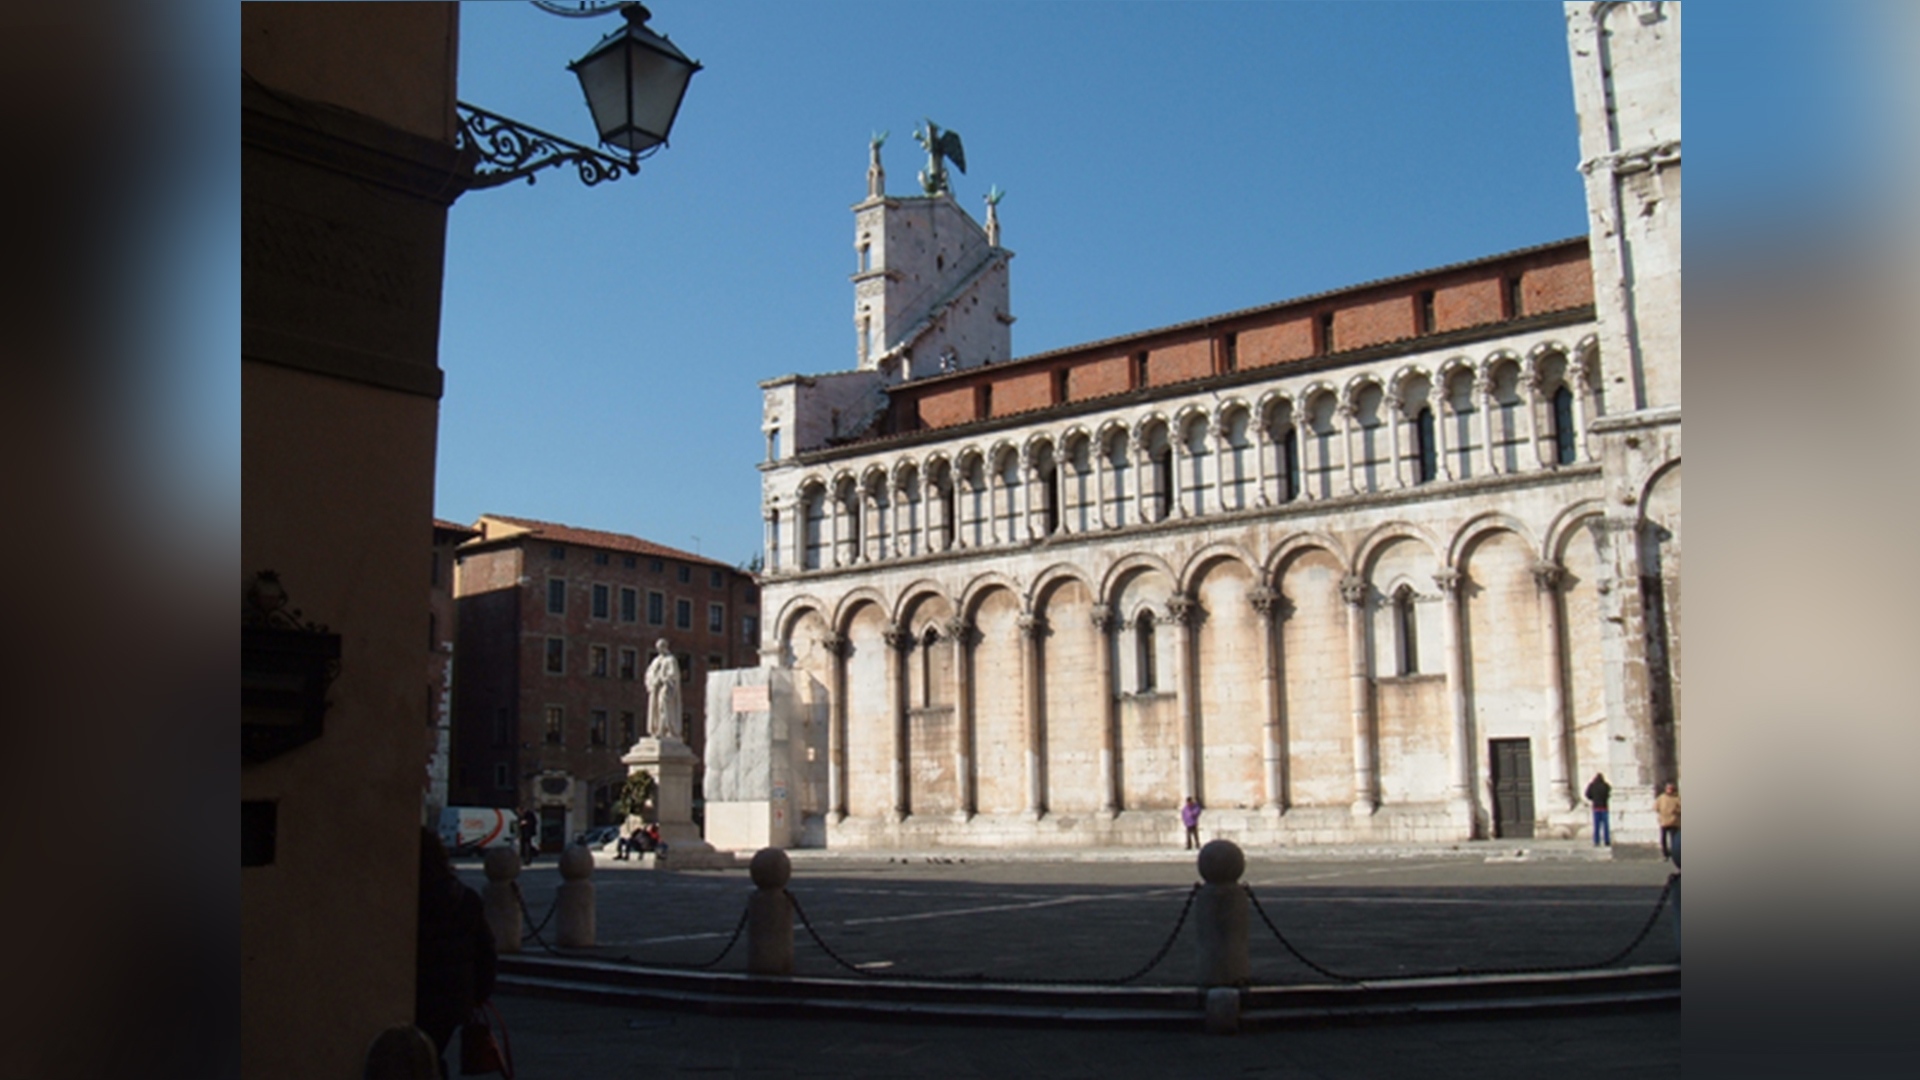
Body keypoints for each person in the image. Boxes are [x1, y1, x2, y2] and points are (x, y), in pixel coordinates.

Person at [414, 827, 497, 1077]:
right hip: (452, 1000)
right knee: (432, 1054)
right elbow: (486, 951)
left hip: (415, 994)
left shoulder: (405, 897)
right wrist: (477, 995)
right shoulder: (464, 898)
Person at [644, 639, 684, 740]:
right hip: (655, 689)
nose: (659, 649)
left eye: (661, 647)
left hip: (666, 689)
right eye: (658, 647)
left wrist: (663, 679)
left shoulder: (671, 660)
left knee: (664, 707)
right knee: (656, 709)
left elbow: (673, 675)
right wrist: (652, 681)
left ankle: (664, 729)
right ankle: (656, 729)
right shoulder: (656, 661)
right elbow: (649, 673)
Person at [1654, 781, 1681, 860]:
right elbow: (1656, 807)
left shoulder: (1676, 798)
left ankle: (1675, 854)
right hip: (1664, 821)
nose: (1669, 790)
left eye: (1670, 788)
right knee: (1663, 839)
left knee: (1674, 840)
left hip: (1673, 821)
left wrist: (1675, 811)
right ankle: (1665, 854)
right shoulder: (1661, 798)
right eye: (1668, 788)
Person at [1585, 772, 1612, 847]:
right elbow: (1609, 793)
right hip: (1604, 807)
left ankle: (1596, 841)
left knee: (1596, 826)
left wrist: (1593, 799)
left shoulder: (1592, 786)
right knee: (1606, 826)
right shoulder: (1605, 786)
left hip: (1596, 807)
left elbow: (1587, 794)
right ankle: (1607, 840)